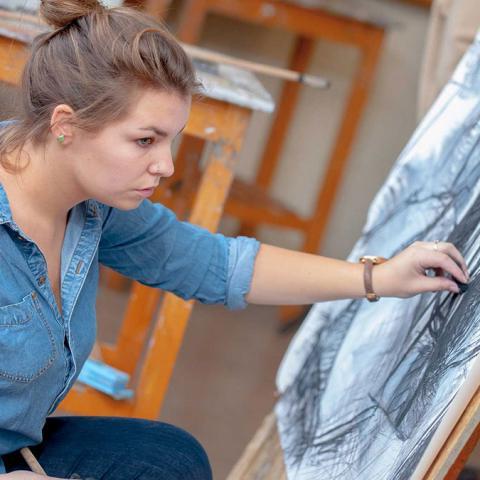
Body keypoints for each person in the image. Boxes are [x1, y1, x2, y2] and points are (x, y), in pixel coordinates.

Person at [0, 1, 469, 479]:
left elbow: (217, 264)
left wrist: (378, 277)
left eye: (171, 140)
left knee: (171, 461)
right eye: (145, 140)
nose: (166, 166)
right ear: (65, 125)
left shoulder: (90, 204)